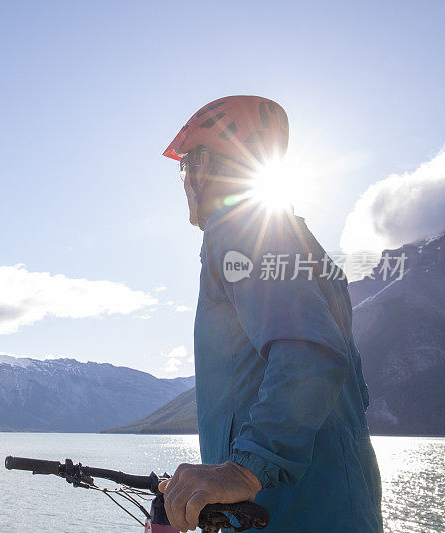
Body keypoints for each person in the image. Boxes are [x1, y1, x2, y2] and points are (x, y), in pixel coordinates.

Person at [157, 96, 383, 532]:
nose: (184, 180)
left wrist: (243, 470)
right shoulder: (304, 247)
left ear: (206, 166)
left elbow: (311, 358)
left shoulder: (239, 226)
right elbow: (349, 389)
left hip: (285, 514)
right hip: (342, 506)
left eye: (184, 167)